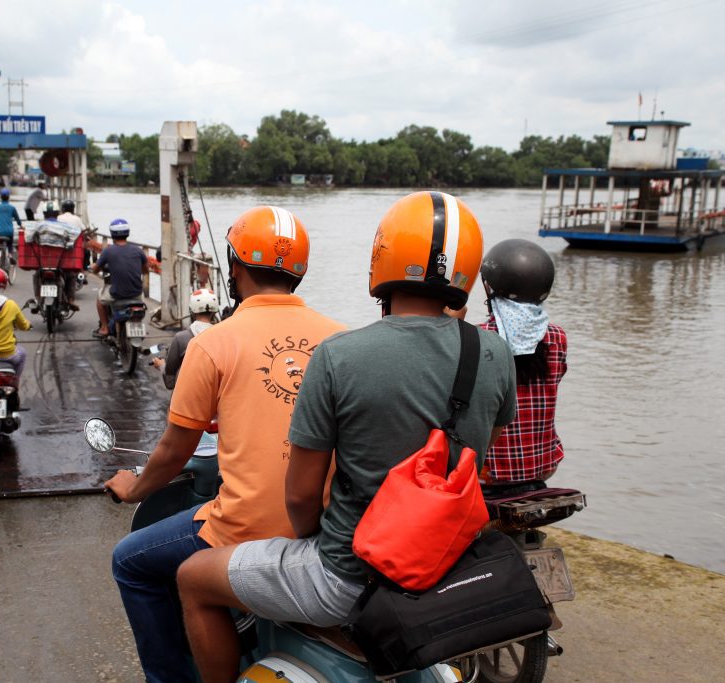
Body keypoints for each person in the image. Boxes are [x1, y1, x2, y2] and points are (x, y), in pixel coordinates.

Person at [175, 191, 518, 683]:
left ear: (382, 261)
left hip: (345, 576)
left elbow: (299, 495)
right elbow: (481, 458)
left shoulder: (341, 356)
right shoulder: (496, 354)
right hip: (445, 565)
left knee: (191, 579)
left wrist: (313, 537)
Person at [104, 206, 345, 683]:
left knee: (129, 561)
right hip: (327, 525)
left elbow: (174, 451)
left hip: (246, 526)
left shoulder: (213, 342)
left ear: (234, 266)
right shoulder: (340, 338)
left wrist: (134, 489)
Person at [477, 238, 567, 485]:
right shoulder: (558, 338)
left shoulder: (477, 339)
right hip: (542, 466)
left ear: (488, 287)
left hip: (490, 473)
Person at [90, 219, 146, 339]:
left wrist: (92, 267)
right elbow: (145, 271)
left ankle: (104, 328)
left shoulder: (108, 251)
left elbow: (95, 269)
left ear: (112, 234)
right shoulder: (138, 250)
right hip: (137, 294)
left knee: (100, 300)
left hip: (117, 294)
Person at [152, 288, 218, 391]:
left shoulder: (181, 338)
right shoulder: (224, 337)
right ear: (214, 311)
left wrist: (161, 365)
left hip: (190, 401)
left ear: (192, 311)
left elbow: (170, 382)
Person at [0, 188, 22, 263]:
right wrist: (21, 225)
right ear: (8, 197)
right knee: (10, 244)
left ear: (0, 197)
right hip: (9, 232)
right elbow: (18, 220)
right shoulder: (12, 208)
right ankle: (10, 255)